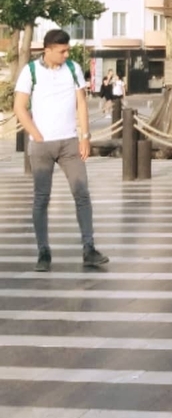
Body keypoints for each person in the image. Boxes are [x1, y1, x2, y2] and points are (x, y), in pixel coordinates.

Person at [14, 29, 109, 273]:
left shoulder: (73, 68)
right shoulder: (31, 71)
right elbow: (19, 107)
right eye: (62, 51)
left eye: (67, 50)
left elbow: (81, 102)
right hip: (42, 145)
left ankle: (89, 249)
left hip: (69, 143)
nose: (66, 55)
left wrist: (84, 136)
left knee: (82, 193)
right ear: (47, 50)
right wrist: (35, 135)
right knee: (41, 198)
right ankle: (43, 251)